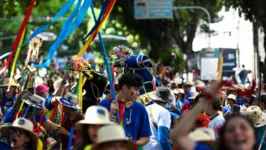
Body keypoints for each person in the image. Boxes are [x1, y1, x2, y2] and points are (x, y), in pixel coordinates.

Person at [99, 73, 151, 145]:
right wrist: (111, 113)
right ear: (125, 88)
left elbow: (146, 137)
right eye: (136, 89)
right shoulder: (104, 105)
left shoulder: (140, 109)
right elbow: (95, 131)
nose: (138, 93)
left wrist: (131, 147)